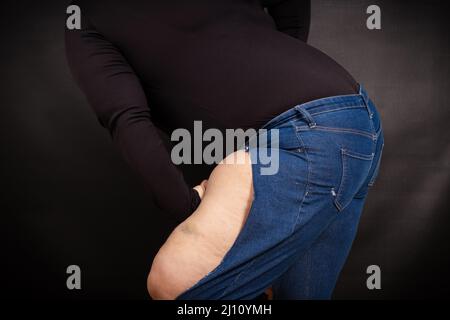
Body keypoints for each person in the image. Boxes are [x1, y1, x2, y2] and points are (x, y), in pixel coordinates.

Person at [65, 0, 384, 299]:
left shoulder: (88, 15)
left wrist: (188, 206)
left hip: (307, 136)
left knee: (172, 285)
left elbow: (127, 119)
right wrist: (278, 74)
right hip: (357, 116)